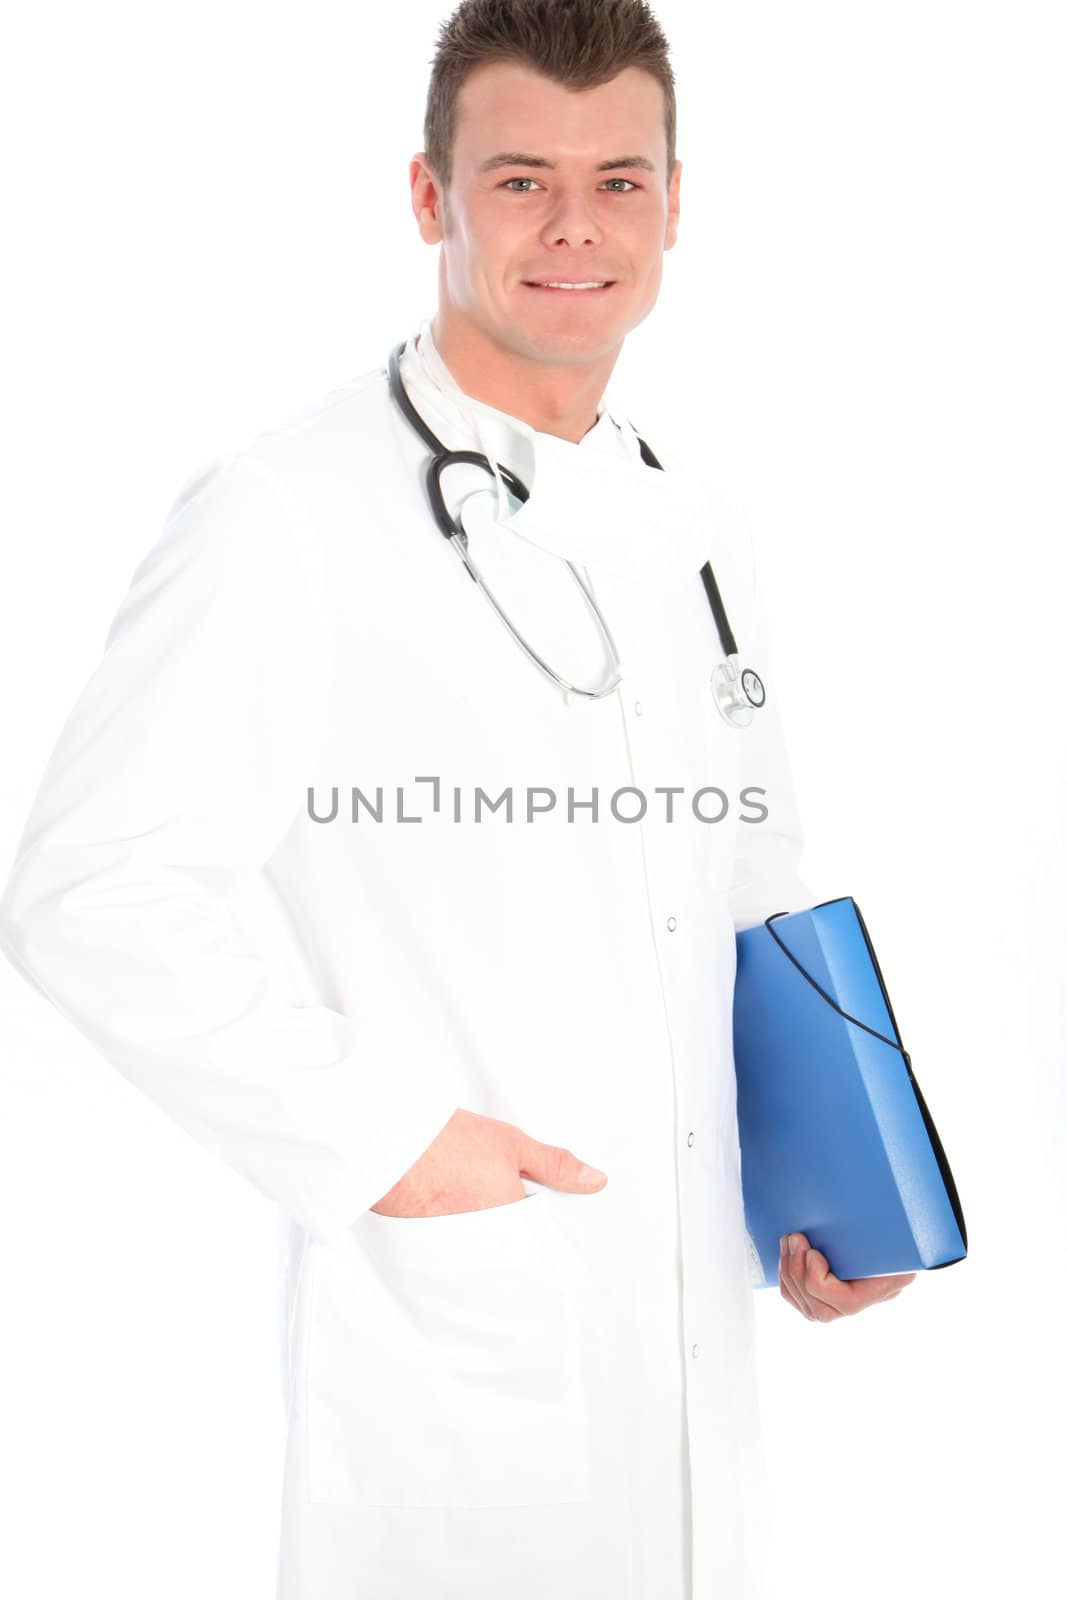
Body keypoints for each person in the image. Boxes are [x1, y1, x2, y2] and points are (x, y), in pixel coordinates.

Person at [0, 2, 915, 1596]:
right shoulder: (288, 512)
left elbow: (745, 895)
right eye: (519, 181)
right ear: (429, 199)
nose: (576, 228)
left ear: (678, 204)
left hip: (701, 1340)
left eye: (620, 181)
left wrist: (811, 1181)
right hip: (462, 1350)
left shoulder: (701, 529)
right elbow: (94, 888)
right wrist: (383, 1136)